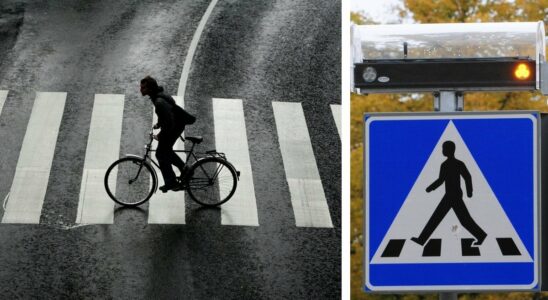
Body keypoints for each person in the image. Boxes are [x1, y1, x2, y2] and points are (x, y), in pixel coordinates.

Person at [410, 140, 487, 247]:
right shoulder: (445, 164)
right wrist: (430, 188)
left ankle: (422, 239)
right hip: (450, 195)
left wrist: (469, 192)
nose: (442, 150)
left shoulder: (456, 164)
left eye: (444, 148)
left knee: (447, 218)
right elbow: (441, 180)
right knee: (454, 219)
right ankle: (421, 239)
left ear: (450, 150)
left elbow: (467, 177)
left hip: (454, 196)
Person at [140, 76, 187, 193]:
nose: (141, 90)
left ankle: (172, 182)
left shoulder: (159, 101)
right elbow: (166, 114)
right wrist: (159, 123)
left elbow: (169, 121)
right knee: (165, 151)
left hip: (175, 126)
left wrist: (161, 134)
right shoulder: (157, 96)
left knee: (161, 154)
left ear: (150, 89)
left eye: (143, 88)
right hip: (176, 124)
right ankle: (185, 170)